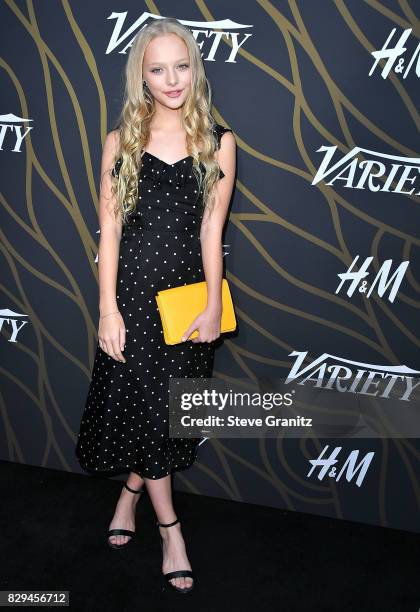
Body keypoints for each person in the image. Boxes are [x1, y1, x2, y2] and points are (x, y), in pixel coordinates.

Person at [74, 17, 236, 593]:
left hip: (187, 303)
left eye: (182, 65)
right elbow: (109, 233)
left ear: (196, 67)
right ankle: (171, 529)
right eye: (158, 68)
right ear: (140, 76)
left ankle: (128, 495)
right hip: (133, 301)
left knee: (166, 416)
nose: (172, 79)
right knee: (146, 410)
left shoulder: (218, 140)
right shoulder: (122, 140)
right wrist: (107, 311)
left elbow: (212, 232)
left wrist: (214, 305)